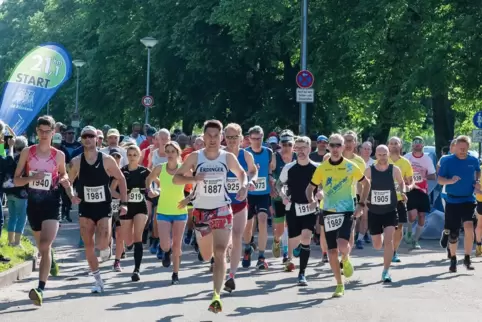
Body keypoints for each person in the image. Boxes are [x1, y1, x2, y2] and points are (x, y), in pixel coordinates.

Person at [173, 119, 247, 313]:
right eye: (209, 135)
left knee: (220, 252)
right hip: (201, 212)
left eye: (216, 136)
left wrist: (244, 186)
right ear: (204, 137)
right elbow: (176, 178)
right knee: (207, 256)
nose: (213, 139)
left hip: (222, 209)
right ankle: (216, 254)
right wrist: (193, 178)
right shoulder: (195, 158)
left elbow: (242, 173)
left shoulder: (227, 157)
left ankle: (216, 295)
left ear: (221, 137)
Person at [306, 133, 370, 297]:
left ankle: (346, 258)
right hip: (328, 211)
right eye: (332, 145)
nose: (335, 149)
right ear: (328, 147)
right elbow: (309, 188)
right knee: (331, 251)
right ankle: (339, 284)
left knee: (342, 245)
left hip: (347, 210)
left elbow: (365, 184)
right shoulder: (322, 167)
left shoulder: (350, 166)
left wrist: (361, 204)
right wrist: (312, 200)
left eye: (338, 145)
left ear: (343, 147)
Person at [14, 115, 69, 306]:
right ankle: (50, 258)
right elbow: (16, 179)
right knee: (43, 247)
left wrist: (65, 181)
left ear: (54, 132)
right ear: (36, 132)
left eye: (48, 131)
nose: (44, 135)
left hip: (53, 203)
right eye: (41, 131)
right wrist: (31, 178)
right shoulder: (28, 153)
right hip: (34, 204)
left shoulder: (58, 155)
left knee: (44, 246)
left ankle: (40, 289)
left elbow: (63, 174)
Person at [68, 126, 128, 292]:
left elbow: (121, 179)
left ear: (97, 139)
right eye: (85, 136)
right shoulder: (77, 162)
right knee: (88, 245)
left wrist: (124, 203)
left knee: (101, 245)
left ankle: (107, 248)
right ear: (81, 139)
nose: (88, 139)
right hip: (85, 207)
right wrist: (71, 194)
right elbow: (68, 181)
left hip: (103, 207)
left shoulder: (107, 159)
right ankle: (97, 280)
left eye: (91, 136)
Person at [277, 136, 319, 285]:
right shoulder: (289, 168)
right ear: (294, 149)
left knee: (307, 236)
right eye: (298, 148)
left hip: (310, 207)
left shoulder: (316, 167)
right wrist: (283, 196)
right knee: (294, 243)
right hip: (292, 208)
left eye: (304, 148)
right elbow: (278, 185)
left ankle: (302, 273)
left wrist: (320, 195)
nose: (301, 151)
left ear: (309, 149)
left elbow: (324, 187)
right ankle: (294, 248)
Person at [146, 142, 189, 284]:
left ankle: (175, 274)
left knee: (177, 245)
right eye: (168, 151)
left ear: (178, 153)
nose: (170, 154)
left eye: (173, 151)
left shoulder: (184, 170)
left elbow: (196, 186)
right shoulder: (160, 168)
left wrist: (188, 199)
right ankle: (165, 251)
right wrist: (150, 190)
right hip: (163, 210)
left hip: (180, 211)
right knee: (166, 244)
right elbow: (148, 179)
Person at [223, 123, 257, 292]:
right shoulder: (218, 155)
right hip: (220, 204)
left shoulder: (246, 155)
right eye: (228, 137)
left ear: (241, 138)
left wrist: (250, 182)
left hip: (240, 203)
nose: (231, 141)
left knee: (237, 236)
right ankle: (223, 260)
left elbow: (253, 171)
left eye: (235, 137)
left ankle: (231, 276)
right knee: (224, 240)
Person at [365, 145, 405, 282]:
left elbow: (401, 182)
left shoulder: (394, 169)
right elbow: (361, 184)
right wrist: (362, 198)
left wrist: (403, 192)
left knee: (388, 241)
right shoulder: (369, 171)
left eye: (384, 154)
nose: (382, 157)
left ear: (388, 154)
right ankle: (378, 238)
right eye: (380, 154)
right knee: (377, 245)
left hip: (390, 210)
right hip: (374, 211)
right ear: (375, 155)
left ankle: (386, 271)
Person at [438, 135, 479, 272]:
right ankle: (454, 258)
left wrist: (475, 183)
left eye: (464, 148)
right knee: (454, 233)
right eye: (459, 148)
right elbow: (440, 180)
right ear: (454, 147)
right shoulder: (447, 161)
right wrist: (450, 181)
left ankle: (467, 257)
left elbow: (477, 172)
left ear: (468, 147)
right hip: (452, 200)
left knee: (468, 227)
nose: (462, 150)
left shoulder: (473, 160)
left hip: (468, 199)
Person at [111, 145, 150, 281]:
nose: (132, 157)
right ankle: (130, 245)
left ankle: (136, 270)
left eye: (135, 155)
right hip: (125, 207)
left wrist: (153, 191)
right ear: (127, 156)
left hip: (140, 206)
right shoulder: (122, 171)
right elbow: (112, 189)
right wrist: (122, 197)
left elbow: (157, 183)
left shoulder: (144, 171)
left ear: (139, 156)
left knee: (138, 236)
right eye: (130, 155)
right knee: (128, 239)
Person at [243, 125, 274, 270]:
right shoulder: (244, 153)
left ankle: (261, 256)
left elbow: (269, 172)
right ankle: (248, 247)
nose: (257, 141)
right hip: (248, 194)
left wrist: (272, 185)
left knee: (262, 220)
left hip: (263, 193)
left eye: (259, 138)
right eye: (254, 138)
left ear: (263, 137)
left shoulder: (268, 152)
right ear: (249, 139)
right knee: (248, 225)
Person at [404, 136, 436, 249]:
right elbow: (400, 171)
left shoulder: (427, 159)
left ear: (423, 145)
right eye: (415, 142)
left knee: (422, 216)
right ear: (412, 145)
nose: (417, 144)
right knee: (412, 216)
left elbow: (433, 175)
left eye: (420, 142)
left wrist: (424, 175)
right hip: (411, 189)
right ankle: (408, 232)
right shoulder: (407, 157)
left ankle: (415, 239)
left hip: (423, 190)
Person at [271, 129, 296, 266]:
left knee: (291, 225)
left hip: (294, 198)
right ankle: (276, 240)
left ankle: (287, 254)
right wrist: (272, 185)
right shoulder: (275, 157)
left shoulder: (298, 156)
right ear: (280, 144)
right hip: (279, 197)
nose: (286, 147)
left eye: (289, 144)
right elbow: (269, 174)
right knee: (280, 228)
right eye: (284, 144)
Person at [386, 137, 414, 263]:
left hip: (399, 199)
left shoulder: (405, 162)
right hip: (384, 199)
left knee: (399, 226)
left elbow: (411, 180)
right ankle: (387, 247)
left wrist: (409, 187)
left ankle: (394, 251)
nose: (394, 146)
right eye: (391, 144)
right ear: (388, 146)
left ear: (400, 145)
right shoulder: (382, 160)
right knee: (387, 227)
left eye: (396, 143)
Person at [4, 136, 28, 247]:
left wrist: (10, 147)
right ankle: (17, 242)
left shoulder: (10, 157)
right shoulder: (24, 159)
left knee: (12, 216)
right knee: (22, 217)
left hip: (9, 191)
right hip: (21, 193)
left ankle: (10, 241)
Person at [108, 148, 126, 272]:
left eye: (118, 157)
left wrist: (124, 199)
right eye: (113, 157)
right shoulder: (104, 173)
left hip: (121, 206)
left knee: (120, 234)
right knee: (107, 233)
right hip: (107, 205)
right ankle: (108, 248)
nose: (116, 159)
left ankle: (117, 261)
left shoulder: (124, 173)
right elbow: (110, 192)